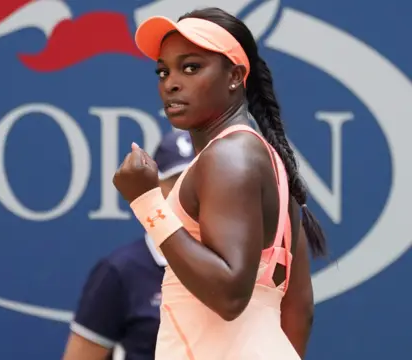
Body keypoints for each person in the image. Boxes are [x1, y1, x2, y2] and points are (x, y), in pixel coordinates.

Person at [112, 7, 327, 360]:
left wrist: (147, 203)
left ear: (234, 76)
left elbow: (229, 295)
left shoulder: (229, 155)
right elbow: (300, 308)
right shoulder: (261, 162)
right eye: (163, 71)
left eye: (191, 67)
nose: (171, 82)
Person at [62, 130, 196, 360]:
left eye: (198, 180)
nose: (189, 191)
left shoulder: (237, 264)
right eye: (176, 180)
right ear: (155, 186)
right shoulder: (120, 271)